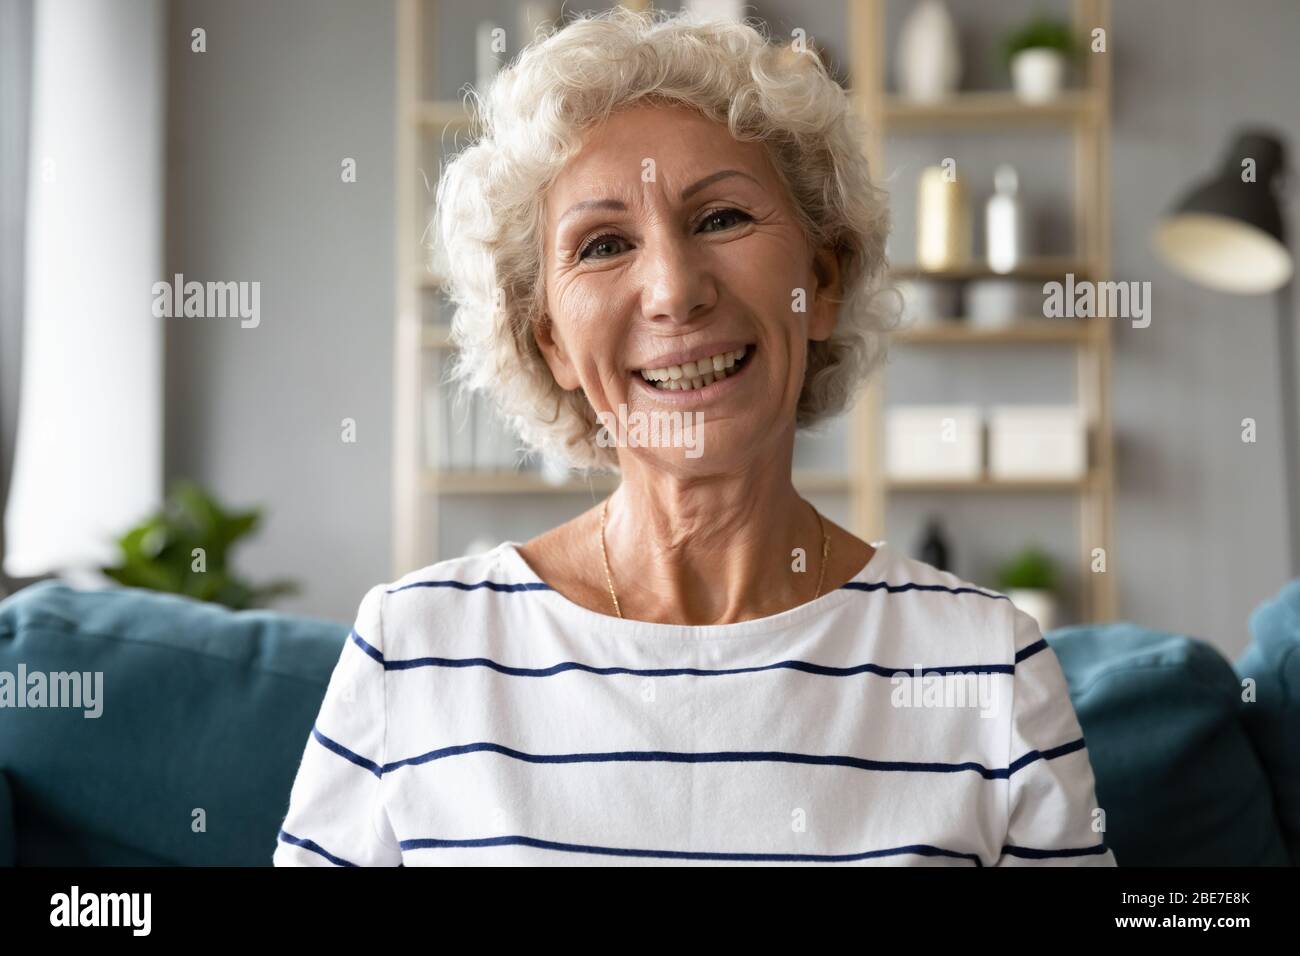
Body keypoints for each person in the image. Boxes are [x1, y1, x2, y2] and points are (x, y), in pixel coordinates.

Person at [274, 7, 1115, 867]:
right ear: (552, 341)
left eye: (721, 219)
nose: (674, 291)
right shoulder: (411, 649)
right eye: (603, 244)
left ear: (820, 281)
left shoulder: (988, 665)